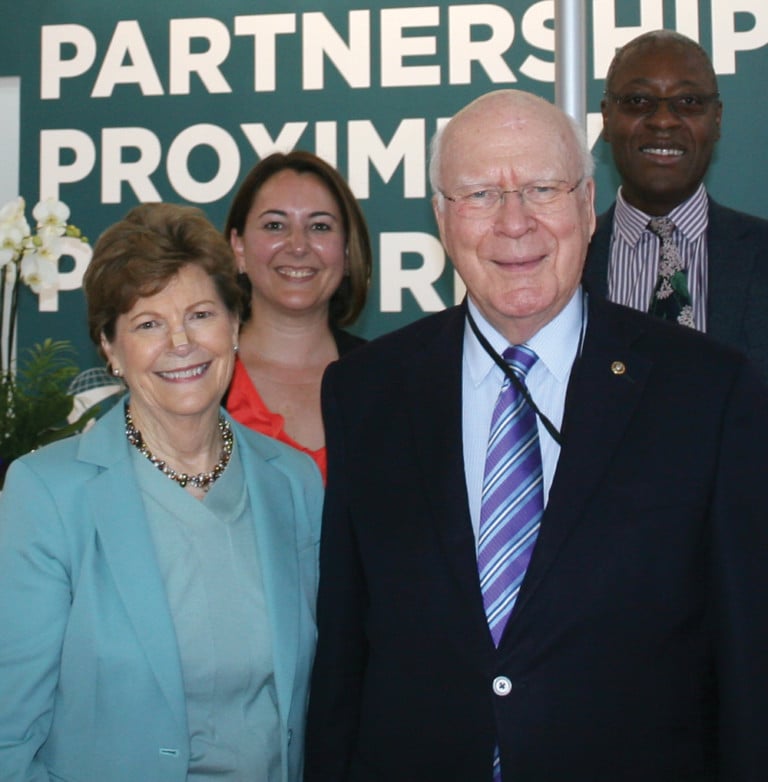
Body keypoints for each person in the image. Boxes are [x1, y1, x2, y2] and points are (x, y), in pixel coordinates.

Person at [304, 89, 768, 780]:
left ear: (588, 207)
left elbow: (745, 659)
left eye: (542, 189)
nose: (514, 224)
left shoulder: (707, 392)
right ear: (440, 218)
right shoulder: (364, 391)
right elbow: (345, 651)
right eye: (481, 195)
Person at [0, 203, 323, 781]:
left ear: (234, 325)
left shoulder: (294, 482)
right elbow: (7, 736)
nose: (181, 343)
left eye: (201, 314)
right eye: (148, 324)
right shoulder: (47, 496)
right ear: (110, 348)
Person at [583, 29, 768, 381]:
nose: (663, 120)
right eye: (638, 101)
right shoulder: (564, 263)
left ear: (717, 119)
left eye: (689, 102)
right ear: (606, 119)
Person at [224, 151, 372, 482]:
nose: (298, 246)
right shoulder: (198, 376)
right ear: (238, 248)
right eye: (275, 225)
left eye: (319, 227)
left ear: (347, 253)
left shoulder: (388, 382)